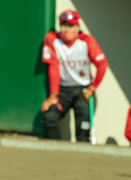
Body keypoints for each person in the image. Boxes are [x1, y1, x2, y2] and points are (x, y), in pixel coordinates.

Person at [40, 9, 109, 141]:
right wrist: (53, 95)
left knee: (83, 130)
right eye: (63, 25)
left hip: (83, 91)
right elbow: (53, 66)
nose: (66, 30)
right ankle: (57, 152)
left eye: (70, 26)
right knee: (49, 118)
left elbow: (102, 65)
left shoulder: (86, 41)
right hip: (62, 91)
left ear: (77, 27)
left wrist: (92, 88)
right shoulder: (52, 39)